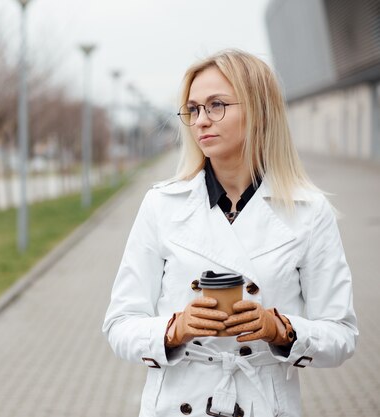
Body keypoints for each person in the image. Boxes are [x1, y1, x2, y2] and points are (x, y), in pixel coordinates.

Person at [102, 49, 358, 417]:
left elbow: (342, 335)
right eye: (193, 109)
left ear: (259, 110)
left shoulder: (308, 211)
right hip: (176, 404)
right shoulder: (161, 204)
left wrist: (281, 329)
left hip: (264, 404)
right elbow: (119, 324)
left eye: (217, 105)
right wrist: (175, 329)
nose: (202, 120)